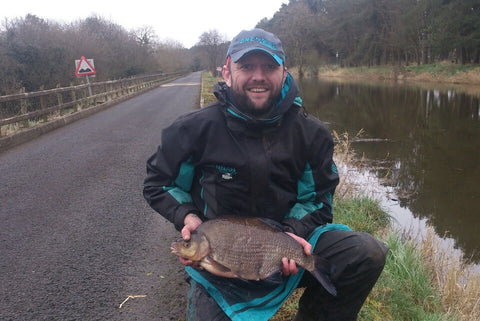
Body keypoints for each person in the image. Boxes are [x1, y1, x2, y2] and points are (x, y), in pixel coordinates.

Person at [143, 28, 388, 321]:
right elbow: (160, 183)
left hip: (287, 246)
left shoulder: (312, 135)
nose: (258, 76)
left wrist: (291, 234)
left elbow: (318, 200)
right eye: (246, 66)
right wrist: (188, 217)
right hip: (220, 260)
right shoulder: (192, 130)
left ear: (284, 72)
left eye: (269, 67)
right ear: (227, 72)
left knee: (366, 253)